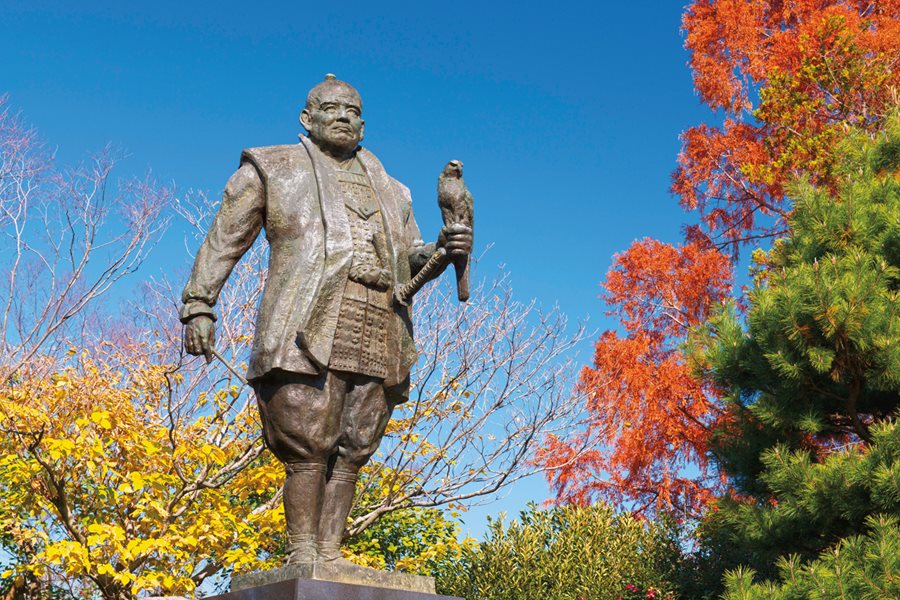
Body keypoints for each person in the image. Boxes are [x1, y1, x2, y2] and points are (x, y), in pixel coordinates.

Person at [179, 75, 472, 565]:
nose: (343, 117)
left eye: (353, 111)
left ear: (363, 123)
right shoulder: (272, 168)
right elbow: (224, 239)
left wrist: (443, 249)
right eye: (331, 108)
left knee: (356, 444)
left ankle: (331, 554)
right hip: (304, 325)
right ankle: (302, 553)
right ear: (306, 118)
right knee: (307, 442)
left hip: (380, 321)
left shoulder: (393, 190)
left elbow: (409, 257)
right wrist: (199, 304)